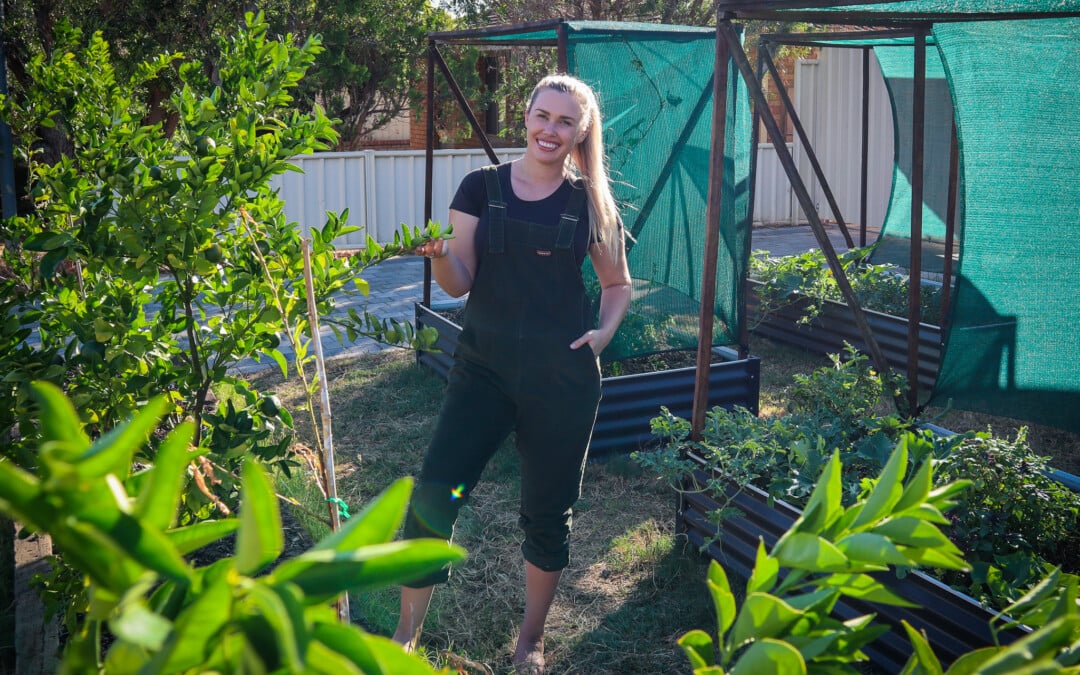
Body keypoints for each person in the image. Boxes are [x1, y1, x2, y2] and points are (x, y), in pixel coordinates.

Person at [394, 73, 632, 673]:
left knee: (548, 514)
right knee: (434, 496)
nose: (550, 130)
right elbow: (460, 283)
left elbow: (617, 285)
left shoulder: (590, 202)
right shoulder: (480, 188)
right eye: (542, 116)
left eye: (564, 122)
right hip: (484, 375)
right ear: (524, 117)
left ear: (581, 133)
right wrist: (443, 254)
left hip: (562, 382)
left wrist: (603, 333)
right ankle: (405, 636)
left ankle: (530, 641)